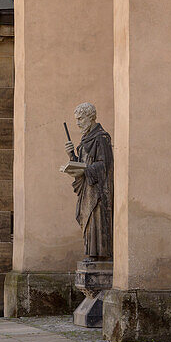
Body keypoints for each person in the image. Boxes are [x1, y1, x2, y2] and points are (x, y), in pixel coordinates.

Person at [63, 102, 113, 262]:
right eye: (76, 120)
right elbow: (83, 162)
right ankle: (90, 253)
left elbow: (104, 164)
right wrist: (72, 156)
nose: (78, 123)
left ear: (90, 117)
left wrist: (86, 170)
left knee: (95, 219)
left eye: (80, 119)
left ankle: (99, 255)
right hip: (87, 188)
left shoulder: (101, 138)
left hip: (98, 190)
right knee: (86, 219)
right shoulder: (86, 139)